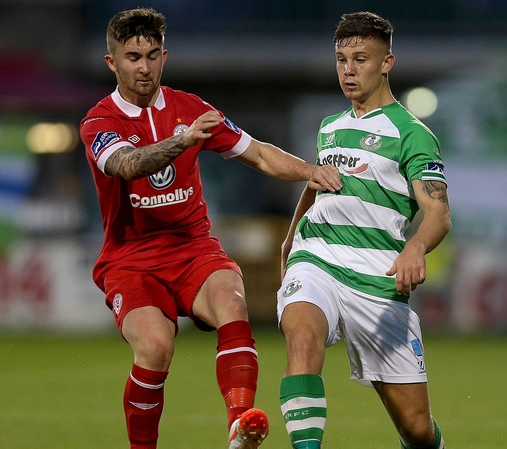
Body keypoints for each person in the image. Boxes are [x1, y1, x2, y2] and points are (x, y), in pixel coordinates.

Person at [79, 7, 342, 449]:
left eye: (152, 55)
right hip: (131, 260)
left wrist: (309, 171)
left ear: (164, 57)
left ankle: (240, 426)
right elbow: (126, 165)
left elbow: (258, 153)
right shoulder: (99, 121)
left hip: (193, 248)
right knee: (155, 348)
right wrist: (182, 140)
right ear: (112, 62)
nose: (144, 67)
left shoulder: (190, 108)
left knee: (231, 302)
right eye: (132, 57)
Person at [276, 11, 451, 449]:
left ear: (386, 62)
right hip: (317, 259)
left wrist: (415, 247)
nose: (348, 71)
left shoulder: (412, 134)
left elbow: (438, 211)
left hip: (377, 276)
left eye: (360, 59)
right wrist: (291, 238)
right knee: (302, 336)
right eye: (341, 60)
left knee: (417, 430)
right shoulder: (330, 127)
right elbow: (318, 184)